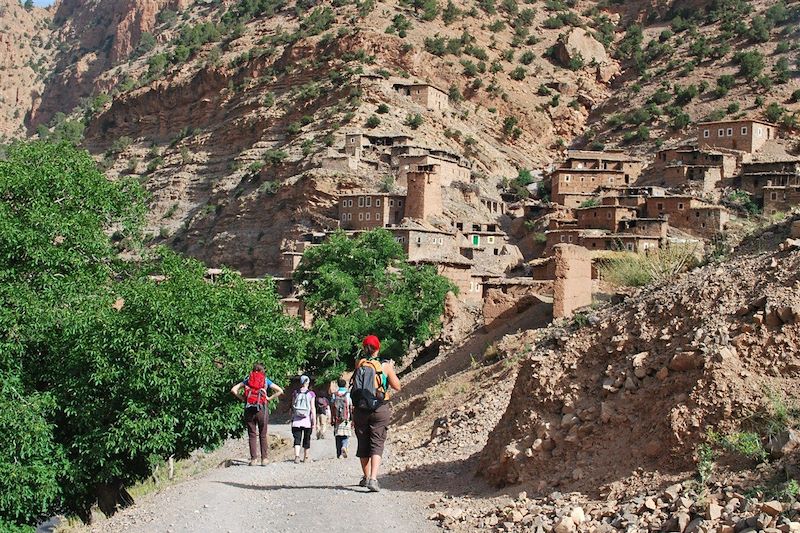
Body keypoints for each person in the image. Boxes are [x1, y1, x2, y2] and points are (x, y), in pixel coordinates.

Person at [351, 335, 401, 492]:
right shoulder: (384, 366)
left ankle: (365, 478)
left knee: (363, 443)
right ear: (378, 348)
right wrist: (390, 369)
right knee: (377, 443)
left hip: (360, 409)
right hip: (379, 408)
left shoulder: (359, 363)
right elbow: (397, 386)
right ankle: (373, 478)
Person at [230, 363, 284, 466]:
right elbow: (280, 390)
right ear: (263, 371)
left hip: (249, 408)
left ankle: (254, 459)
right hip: (262, 409)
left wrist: (243, 398)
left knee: (252, 434)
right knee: (263, 435)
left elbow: (233, 389)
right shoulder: (265, 380)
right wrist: (269, 398)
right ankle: (264, 459)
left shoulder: (248, 380)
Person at [291, 375, 316, 463]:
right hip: (307, 421)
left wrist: (292, 417)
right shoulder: (311, 394)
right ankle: (306, 457)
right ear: (307, 383)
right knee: (307, 439)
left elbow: (293, 406)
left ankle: (297, 456)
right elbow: (312, 408)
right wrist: (314, 421)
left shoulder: (295, 393)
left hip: (296, 421)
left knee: (297, 439)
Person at [330, 378, 353, 459]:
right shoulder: (348, 394)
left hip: (336, 418)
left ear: (338, 385)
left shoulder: (334, 394)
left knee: (338, 435)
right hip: (346, 418)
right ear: (345, 385)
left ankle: (339, 454)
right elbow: (350, 406)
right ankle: (344, 446)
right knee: (345, 435)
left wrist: (332, 418)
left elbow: (332, 407)